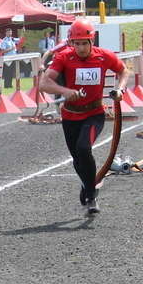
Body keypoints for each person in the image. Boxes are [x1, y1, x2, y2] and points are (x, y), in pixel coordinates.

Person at [40, 19, 129, 215]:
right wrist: (65, 91)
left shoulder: (104, 56)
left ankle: (91, 195)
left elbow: (123, 71)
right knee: (77, 159)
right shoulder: (63, 57)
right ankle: (88, 183)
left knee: (83, 147)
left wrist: (119, 89)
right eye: (76, 43)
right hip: (70, 115)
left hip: (94, 114)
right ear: (71, 42)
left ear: (92, 40)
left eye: (84, 43)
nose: (80, 48)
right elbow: (44, 84)